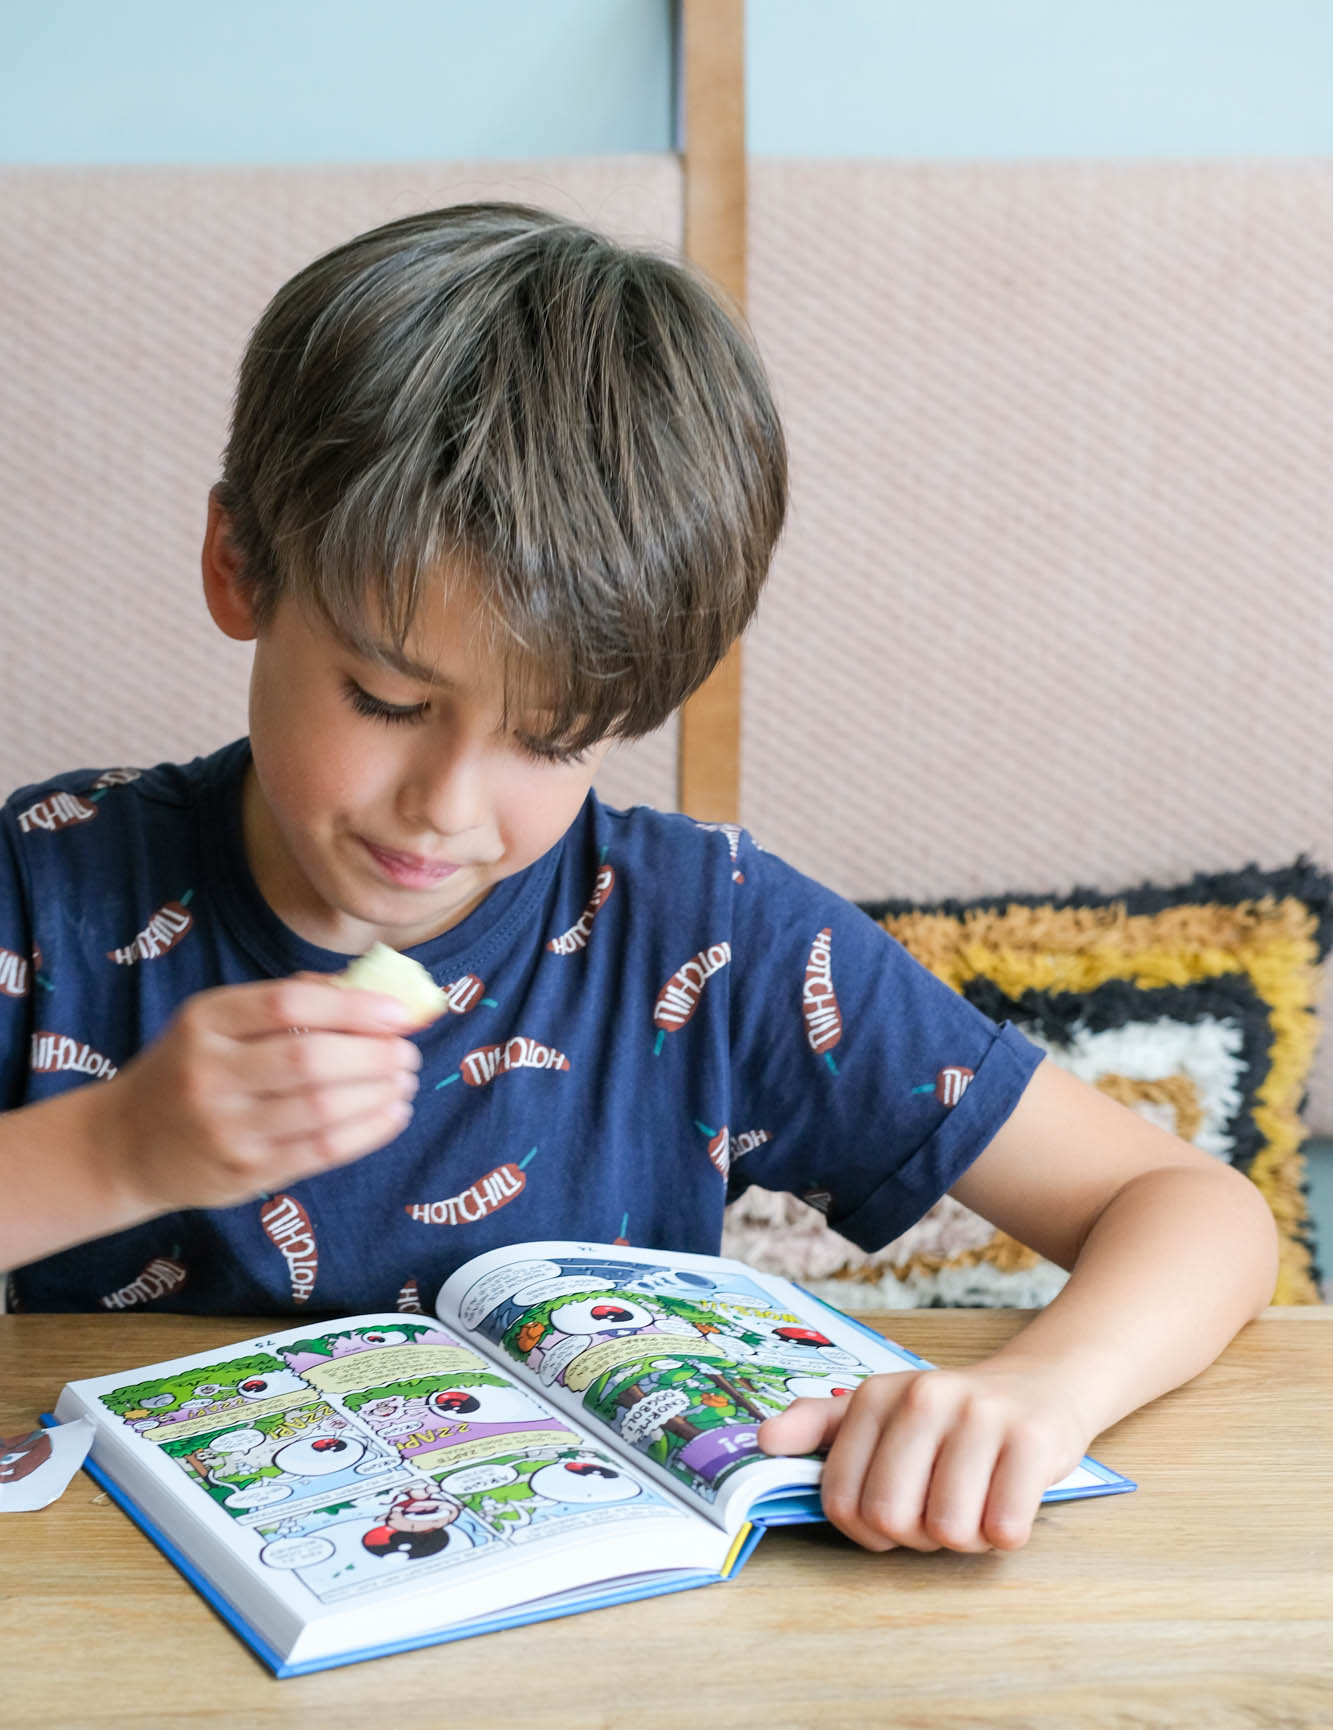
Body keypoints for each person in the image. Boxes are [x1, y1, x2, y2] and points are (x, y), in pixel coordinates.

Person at [0, 203, 1276, 1555]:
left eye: (548, 739)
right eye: (385, 699)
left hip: (610, 1669)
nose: (446, 809)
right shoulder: (54, 892)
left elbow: (1193, 1211)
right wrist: (114, 1150)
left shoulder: (706, 935)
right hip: (127, 1636)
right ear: (239, 565)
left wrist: (1039, 1390)